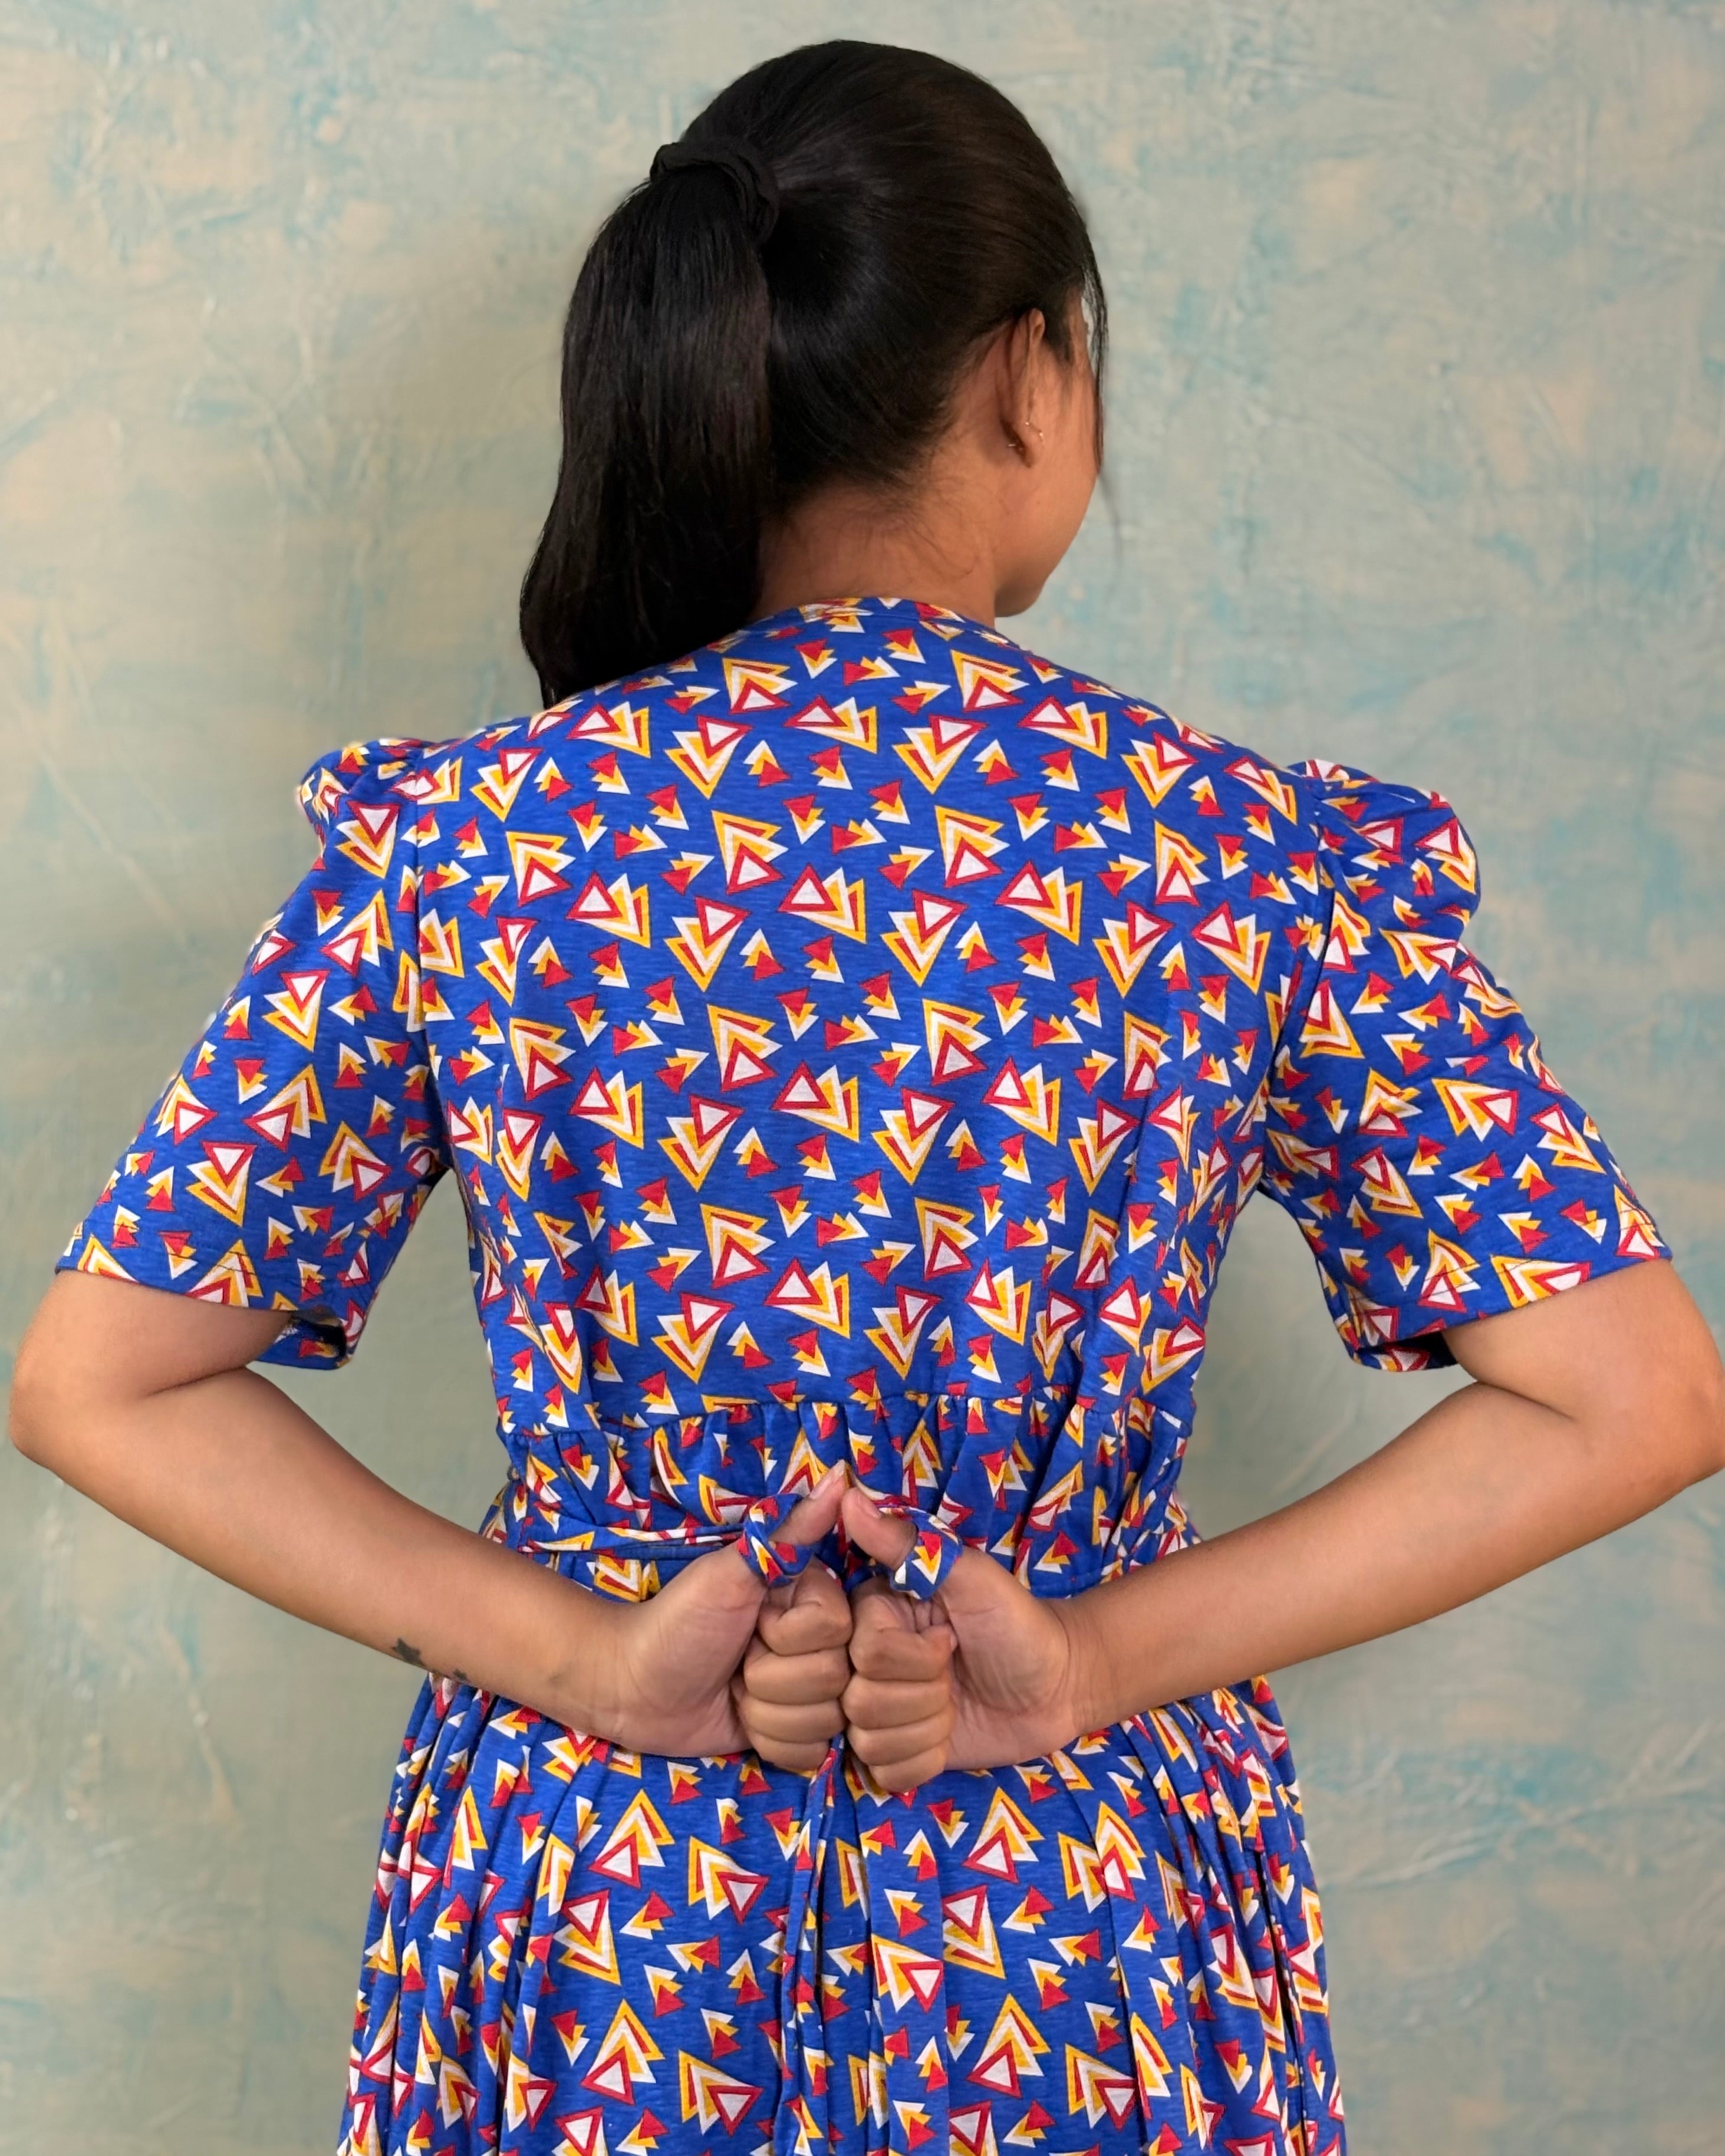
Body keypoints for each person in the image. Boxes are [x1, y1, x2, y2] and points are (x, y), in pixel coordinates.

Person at [11, 34, 1722, 2156]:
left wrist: (592, 1657)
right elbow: (1634, 1394)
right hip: (1071, 1937)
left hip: (603, 1920)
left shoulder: (476, 847)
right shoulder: (1232, 857)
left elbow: (99, 1377)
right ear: (1027, 374)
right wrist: (1086, 1660)